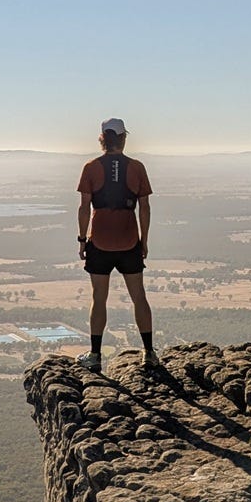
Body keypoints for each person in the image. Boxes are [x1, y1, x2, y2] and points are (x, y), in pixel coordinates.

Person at [76, 117, 157, 374]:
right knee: (139, 297)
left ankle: (95, 355)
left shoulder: (91, 167)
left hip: (99, 241)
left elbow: (84, 207)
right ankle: (149, 352)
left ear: (102, 139)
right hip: (129, 239)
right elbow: (144, 208)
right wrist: (144, 241)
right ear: (123, 139)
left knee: (99, 298)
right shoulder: (137, 167)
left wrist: (81, 240)